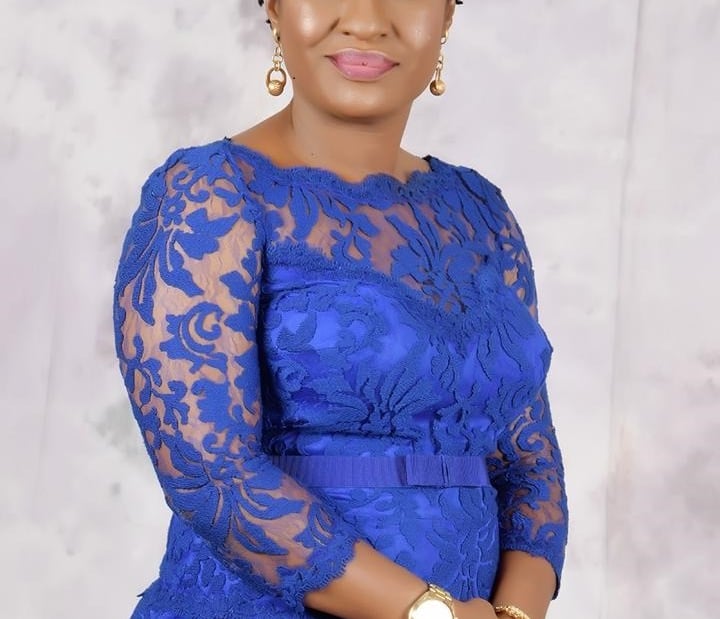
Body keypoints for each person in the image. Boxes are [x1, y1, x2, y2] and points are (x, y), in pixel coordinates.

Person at [113, 1, 568, 618]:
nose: (366, 19)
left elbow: (530, 462)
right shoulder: (209, 194)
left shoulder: (483, 213)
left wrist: (514, 614)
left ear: (447, 15)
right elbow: (211, 474)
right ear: (274, 7)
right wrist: (427, 613)